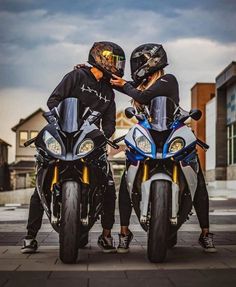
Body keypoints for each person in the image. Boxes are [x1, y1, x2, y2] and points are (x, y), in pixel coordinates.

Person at [110, 43, 217, 254]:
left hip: (171, 134)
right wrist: (92, 72)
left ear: (150, 62)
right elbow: (125, 86)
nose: (136, 67)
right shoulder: (144, 86)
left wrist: (124, 85)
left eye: (139, 62)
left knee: (197, 178)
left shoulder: (168, 80)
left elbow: (138, 95)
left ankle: (205, 233)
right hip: (149, 138)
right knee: (126, 180)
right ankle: (124, 233)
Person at [21, 41, 126, 254]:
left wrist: (105, 138)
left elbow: (109, 123)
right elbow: (54, 101)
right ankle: (30, 236)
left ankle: (106, 236)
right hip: (63, 136)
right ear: (99, 58)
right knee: (41, 181)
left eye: (118, 62)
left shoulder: (108, 91)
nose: (116, 65)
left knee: (107, 183)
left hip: (88, 142)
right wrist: (59, 120)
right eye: (113, 60)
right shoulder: (76, 76)